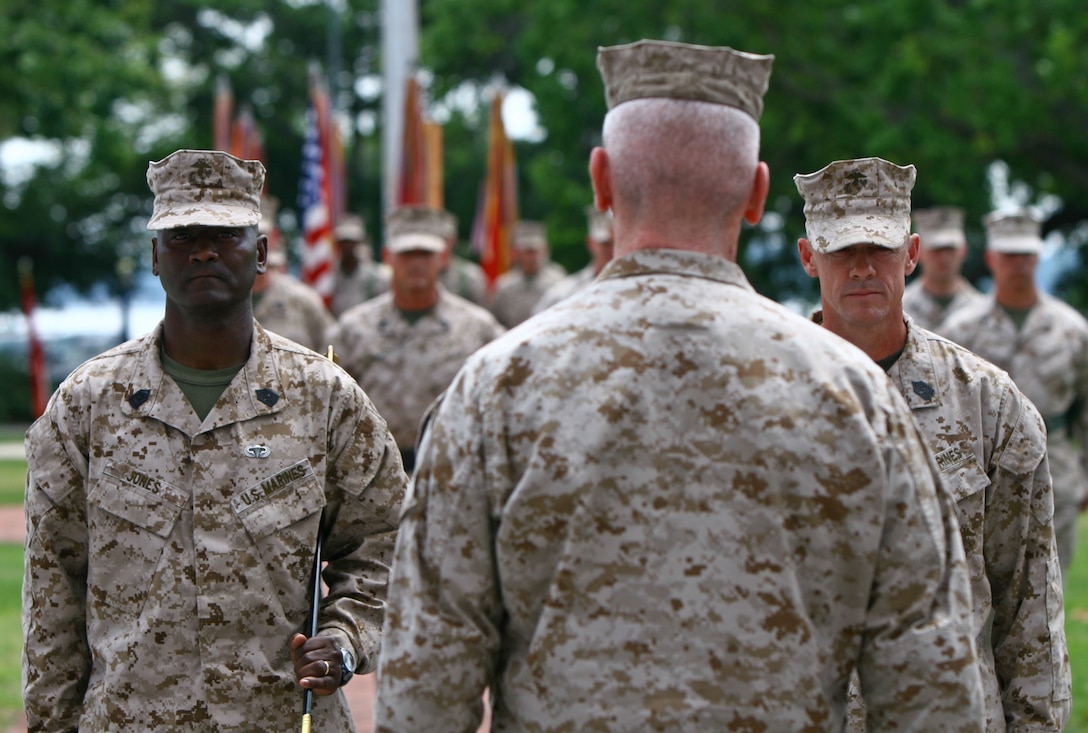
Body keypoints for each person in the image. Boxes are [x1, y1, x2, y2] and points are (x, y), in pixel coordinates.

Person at [375, 40, 984, 732]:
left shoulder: (496, 386)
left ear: (600, 182)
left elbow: (427, 671)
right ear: (757, 194)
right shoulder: (857, 396)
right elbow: (930, 677)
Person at [22, 149, 408, 732]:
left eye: (224, 234)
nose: (202, 250)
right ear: (155, 256)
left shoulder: (325, 398)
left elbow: (386, 543)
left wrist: (345, 637)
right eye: (181, 236)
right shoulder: (88, 403)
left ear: (259, 253)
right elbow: (53, 585)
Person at [795, 157, 1069, 731]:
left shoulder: (989, 404)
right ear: (807, 256)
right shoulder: (765, 399)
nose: (863, 268)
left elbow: (1028, 608)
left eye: (882, 249)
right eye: (842, 251)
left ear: (912, 254)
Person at [943, 209, 1088, 575]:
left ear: (1037, 257)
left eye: (1025, 255)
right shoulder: (961, 331)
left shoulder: (1072, 329)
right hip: (981, 471)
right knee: (982, 588)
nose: (1018, 264)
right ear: (991, 258)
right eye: (1009, 255)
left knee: (1047, 589)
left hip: (1056, 468)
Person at [328, 205, 505, 472]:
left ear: (443, 258)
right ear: (388, 257)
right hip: (372, 479)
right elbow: (328, 408)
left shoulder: (480, 328)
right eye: (407, 254)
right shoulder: (352, 329)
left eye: (426, 254)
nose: (416, 263)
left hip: (452, 475)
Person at [252, 205, 336, 353]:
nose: (253, 244)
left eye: (258, 234)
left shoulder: (303, 301)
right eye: (238, 234)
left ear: (274, 238)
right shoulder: (212, 300)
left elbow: (332, 354)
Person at [901, 205, 984, 334]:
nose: (944, 257)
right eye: (936, 250)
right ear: (918, 252)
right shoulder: (901, 308)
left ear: (963, 251)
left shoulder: (980, 309)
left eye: (950, 249)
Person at [532, 206, 615, 314]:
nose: (613, 249)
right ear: (590, 243)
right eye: (606, 244)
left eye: (617, 242)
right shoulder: (564, 293)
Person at [486, 220, 566, 327]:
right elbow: (496, 321)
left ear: (545, 250)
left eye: (536, 251)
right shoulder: (505, 285)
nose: (532, 257)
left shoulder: (558, 281)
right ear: (517, 253)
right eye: (528, 252)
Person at [329, 213, 390, 318]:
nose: (347, 246)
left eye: (351, 242)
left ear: (359, 242)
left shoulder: (376, 278)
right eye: (344, 242)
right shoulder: (328, 278)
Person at [437, 209, 488, 305]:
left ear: (454, 240)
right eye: (436, 239)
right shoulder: (418, 275)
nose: (441, 244)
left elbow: (482, 313)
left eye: (445, 239)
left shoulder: (471, 276)